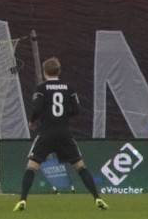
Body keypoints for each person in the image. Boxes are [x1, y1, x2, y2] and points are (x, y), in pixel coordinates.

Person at [14, 57, 107, 212]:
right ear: (59, 71)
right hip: (64, 134)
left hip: (46, 133)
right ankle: (97, 198)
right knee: (80, 166)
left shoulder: (41, 88)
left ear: (44, 72)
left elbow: (37, 109)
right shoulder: (68, 88)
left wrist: (32, 120)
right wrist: (62, 115)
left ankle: (23, 200)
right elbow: (76, 110)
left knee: (32, 166)